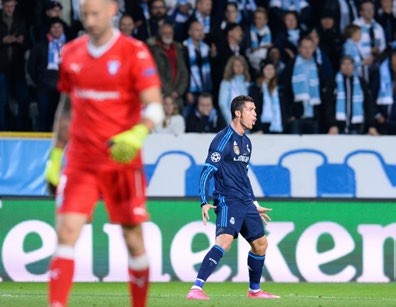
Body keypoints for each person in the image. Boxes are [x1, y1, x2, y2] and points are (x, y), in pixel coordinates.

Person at [44, 0, 164, 306]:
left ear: (113, 10)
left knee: (133, 238)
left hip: (121, 162)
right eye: (85, 14)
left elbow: (154, 105)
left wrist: (138, 133)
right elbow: (67, 108)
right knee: (67, 231)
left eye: (96, 13)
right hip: (82, 162)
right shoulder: (70, 53)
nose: (90, 20)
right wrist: (56, 155)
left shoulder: (134, 52)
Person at [185, 95, 280, 300]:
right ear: (238, 113)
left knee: (261, 244)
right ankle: (196, 288)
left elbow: (243, 175)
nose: (255, 115)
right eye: (251, 110)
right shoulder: (223, 139)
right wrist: (204, 201)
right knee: (225, 241)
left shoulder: (246, 143)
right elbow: (207, 171)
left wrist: (254, 203)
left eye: (255, 110)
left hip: (245, 201)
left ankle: (254, 291)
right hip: (228, 199)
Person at [28, 17, 66, 132]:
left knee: (59, 117)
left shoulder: (69, 46)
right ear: (49, 30)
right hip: (44, 85)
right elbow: (31, 66)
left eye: (59, 27)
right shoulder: (40, 46)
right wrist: (40, 80)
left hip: (62, 86)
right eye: (54, 27)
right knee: (43, 116)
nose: (57, 29)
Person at [327, 55, 379, 135]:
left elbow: (368, 105)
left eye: (349, 64)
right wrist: (332, 124)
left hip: (357, 127)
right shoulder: (334, 82)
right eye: (344, 64)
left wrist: (371, 125)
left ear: (353, 66)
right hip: (338, 127)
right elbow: (329, 105)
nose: (347, 66)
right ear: (340, 66)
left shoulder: (361, 82)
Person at [218, 55, 251, 124]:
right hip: (231, 121)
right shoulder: (226, 82)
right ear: (231, 67)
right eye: (236, 65)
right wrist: (230, 119)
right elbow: (222, 103)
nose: (239, 68)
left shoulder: (247, 82)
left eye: (241, 65)